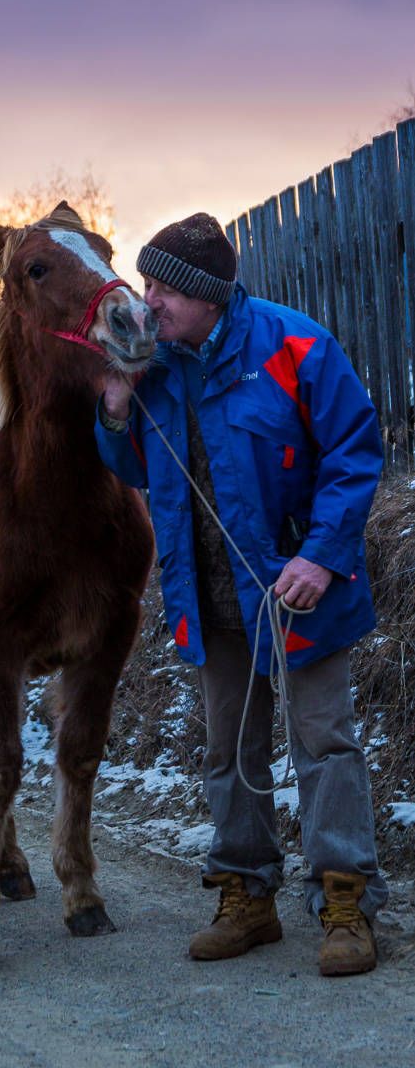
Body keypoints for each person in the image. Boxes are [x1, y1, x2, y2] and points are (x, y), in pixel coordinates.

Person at [95, 212, 387, 976]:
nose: (146, 301)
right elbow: (138, 471)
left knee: (322, 745)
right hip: (206, 598)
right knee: (227, 751)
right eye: (146, 284)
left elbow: (355, 455)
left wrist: (321, 558)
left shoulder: (294, 345)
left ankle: (345, 902)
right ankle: (246, 896)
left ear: (205, 295)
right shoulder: (152, 365)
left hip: (296, 595)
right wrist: (114, 411)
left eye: (160, 287)